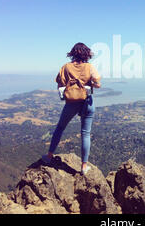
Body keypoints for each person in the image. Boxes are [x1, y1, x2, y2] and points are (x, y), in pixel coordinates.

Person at [42, 42, 101, 175]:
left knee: (60, 128)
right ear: (87, 54)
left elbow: (59, 83)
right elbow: (98, 84)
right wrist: (88, 83)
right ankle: (84, 167)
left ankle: (49, 156)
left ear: (73, 53)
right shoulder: (89, 67)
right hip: (87, 102)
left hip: (71, 103)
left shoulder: (66, 67)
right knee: (85, 133)